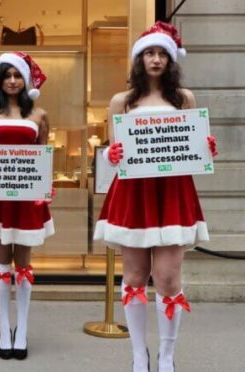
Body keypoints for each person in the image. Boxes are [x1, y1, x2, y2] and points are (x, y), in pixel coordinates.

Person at [94, 21, 217, 372]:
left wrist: (206, 148)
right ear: (139, 58)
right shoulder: (121, 101)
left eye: (162, 53)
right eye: (149, 52)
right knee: (134, 277)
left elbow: (195, 147)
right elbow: (112, 150)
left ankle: (166, 355)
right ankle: (138, 354)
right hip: (133, 193)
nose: (156, 59)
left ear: (171, 59)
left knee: (167, 277)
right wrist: (111, 156)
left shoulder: (184, 98)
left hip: (173, 193)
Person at [0, 52, 54, 360]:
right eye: (6, 75)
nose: (12, 80)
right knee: (2, 260)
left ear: (26, 80)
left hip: (27, 199)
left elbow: (45, 155)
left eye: (17, 75)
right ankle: (4, 328)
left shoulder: (39, 116)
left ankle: (23, 327)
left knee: (24, 263)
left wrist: (46, 190)